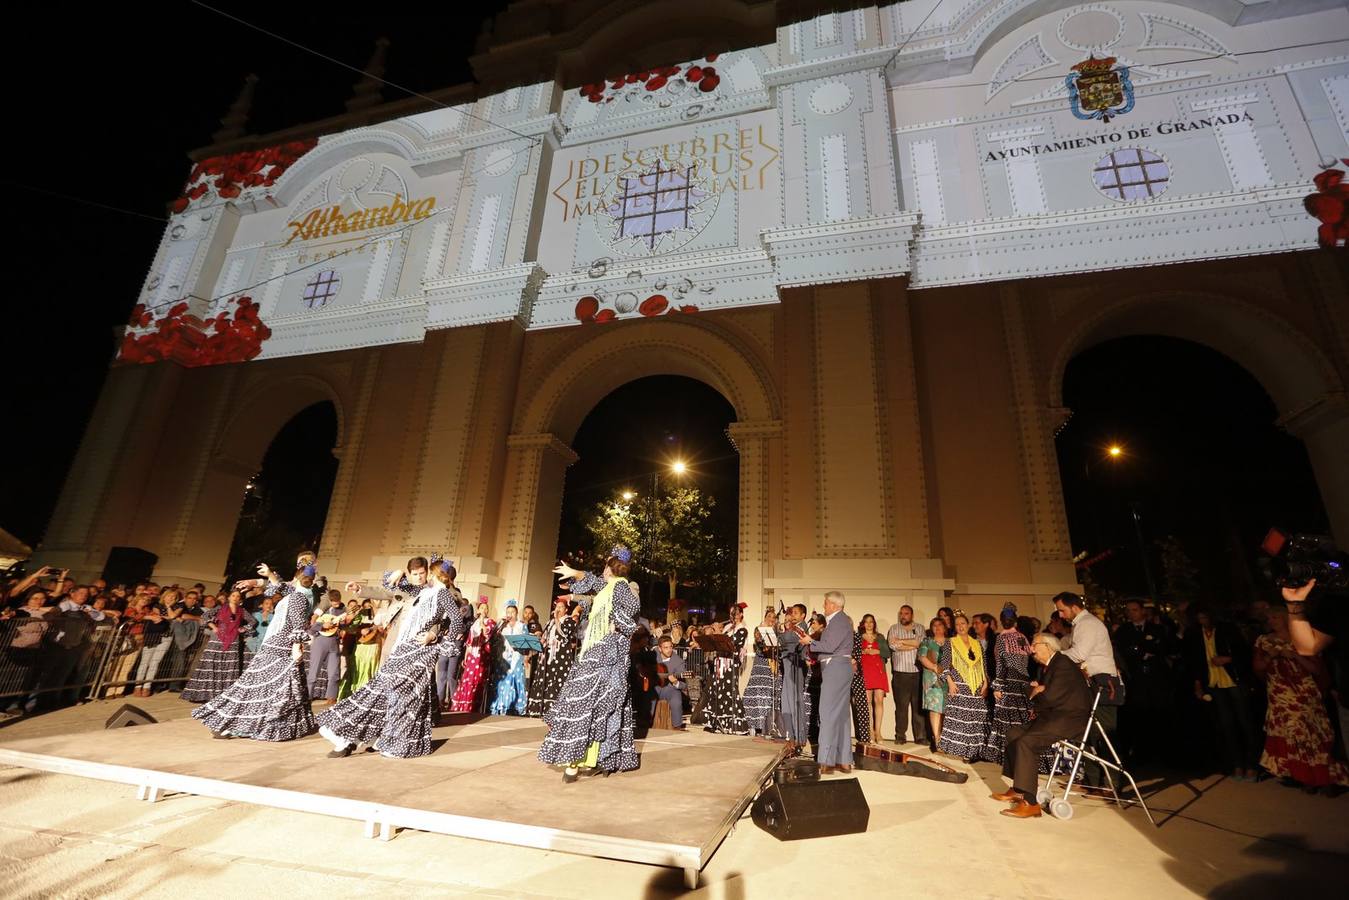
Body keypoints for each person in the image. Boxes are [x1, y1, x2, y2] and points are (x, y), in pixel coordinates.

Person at [319, 558, 465, 759]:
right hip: (401, 648)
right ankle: (359, 735)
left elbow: (458, 620)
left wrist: (437, 637)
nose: (422, 577)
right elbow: (390, 587)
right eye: (418, 573)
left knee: (398, 695)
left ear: (433, 575)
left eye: (426, 573)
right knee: (384, 692)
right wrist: (396, 573)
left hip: (417, 652)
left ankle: (375, 738)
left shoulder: (444, 594)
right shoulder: (422, 591)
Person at [539, 548, 642, 782]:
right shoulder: (609, 587)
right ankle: (588, 760)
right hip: (595, 652)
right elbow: (592, 582)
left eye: (605, 565)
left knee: (590, 703)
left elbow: (633, 610)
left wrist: (618, 626)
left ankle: (581, 762)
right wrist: (574, 572)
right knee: (589, 704)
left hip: (606, 653)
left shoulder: (622, 587)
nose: (602, 570)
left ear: (610, 567)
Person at [192, 562, 318, 741]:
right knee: (263, 687)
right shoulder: (298, 594)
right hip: (277, 646)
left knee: (265, 688)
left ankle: (235, 724)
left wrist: (297, 647)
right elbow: (279, 586)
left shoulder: (299, 597)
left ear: (296, 578)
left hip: (281, 647)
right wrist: (265, 576)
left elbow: (298, 623)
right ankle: (234, 724)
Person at [992, 633, 1094, 818]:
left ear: (1048, 646)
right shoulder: (1047, 667)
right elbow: (1044, 698)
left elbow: (1048, 698)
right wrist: (1036, 690)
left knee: (1027, 742)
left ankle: (1031, 803)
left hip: (1068, 720)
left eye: (1035, 644)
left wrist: (1034, 690)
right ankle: (1018, 788)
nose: (1031, 649)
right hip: (1051, 717)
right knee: (1013, 733)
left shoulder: (1062, 664)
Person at [1254, 606, 1349, 790]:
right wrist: (1270, 658)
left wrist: (1295, 656)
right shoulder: (1263, 641)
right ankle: (1301, 775)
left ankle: (1321, 775)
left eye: (1274, 617)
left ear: (1284, 618)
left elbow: (1316, 669)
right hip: (1279, 693)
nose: (1271, 621)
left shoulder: (1301, 639)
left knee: (1310, 733)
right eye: (1269, 618)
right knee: (1290, 735)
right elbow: (1257, 668)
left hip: (1303, 693)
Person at [1055, 591, 1123, 789]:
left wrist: (1054, 656)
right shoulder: (1080, 625)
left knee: (1105, 735)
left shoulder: (1088, 624)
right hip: (1090, 682)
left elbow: (1079, 654)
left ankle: (1113, 784)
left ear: (1074, 606)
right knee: (1089, 734)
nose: (1060, 615)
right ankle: (1093, 781)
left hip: (1103, 682)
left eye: (1062, 610)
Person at [1187, 607, 1259, 781]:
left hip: (1233, 680)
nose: (1202, 620)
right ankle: (1237, 764)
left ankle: (1252, 764)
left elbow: (1244, 651)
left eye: (1205, 616)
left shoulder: (1227, 630)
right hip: (1214, 683)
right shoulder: (1196, 634)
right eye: (1200, 617)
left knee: (1245, 722)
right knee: (1227, 725)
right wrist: (1198, 684)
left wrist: (1228, 659)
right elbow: (1196, 661)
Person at [798, 592, 854, 774]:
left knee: (828, 713)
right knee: (841, 715)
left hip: (836, 668)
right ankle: (844, 760)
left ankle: (827, 761)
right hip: (840, 668)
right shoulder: (841, 621)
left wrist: (810, 641)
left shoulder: (838, 621)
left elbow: (829, 646)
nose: (824, 606)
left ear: (834, 605)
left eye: (826, 603)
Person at [1112, 598, 1173, 765]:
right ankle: (1141, 752)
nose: (1132, 613)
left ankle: (1161, 752)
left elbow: (1162, 647)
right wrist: (1140, 652)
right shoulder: (1123, 630)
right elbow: (1123, 650)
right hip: (1135, 679)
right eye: (1129, 610)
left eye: (1135, 610)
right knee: (1139, 715)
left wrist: (1146, 649)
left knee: (1159, 714)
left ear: (1142, 611)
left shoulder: (1157, 628)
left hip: (1156, 679)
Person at [181, 589, 255, 703]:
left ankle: (223, 696)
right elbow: (205, 616)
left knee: (227, 666)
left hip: (233, 640)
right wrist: (214, 627)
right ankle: (203, 695)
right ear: (229, 597)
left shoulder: (242, 610)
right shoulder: (220, 608)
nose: (235, 598)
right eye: (233, 595)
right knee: (211, 665)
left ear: (240, 599)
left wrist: (243, 629)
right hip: (217, 639)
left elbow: (253, 621)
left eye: (238, 596)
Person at [985, 603, 1033, 765]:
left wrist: (997, 686)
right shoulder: (1022, 638)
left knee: (1007, 719)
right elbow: (1028, 659)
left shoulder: (1001, 638)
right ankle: (1023, 753)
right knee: (1021, 718)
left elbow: (1000, 663)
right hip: (1023, 681)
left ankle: (1008, 755)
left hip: (1009, 681)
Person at [938, 612, 989, 762]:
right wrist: (950, 682)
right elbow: (944, 664)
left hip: (977, 685)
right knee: (960, 719)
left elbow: (983, 665)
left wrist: (985, 682)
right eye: (957, 624)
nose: (960, 626)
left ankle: (973, 751)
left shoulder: (977, 643)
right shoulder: (951, 642)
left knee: (976, 719)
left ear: (968, 625)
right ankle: (960, 749)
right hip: (959, 685)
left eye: (963, 624)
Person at [527, 597, 580, 718]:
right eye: (557, 607)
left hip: (560, 657)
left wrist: (556, 619)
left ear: (566, 609)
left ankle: (557, 711)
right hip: (547, 656)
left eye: (561, 607)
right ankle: (540, 709)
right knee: (544, 679)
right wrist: (540, 640)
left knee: (557, 681)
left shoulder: (569, 621)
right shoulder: (549, 623)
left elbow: (563, 635)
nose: (558, 609)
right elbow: (545, 637)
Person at [702, 613, 751, 735]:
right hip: (720, 662)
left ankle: (733, 724)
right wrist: (714, 631)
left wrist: (718, 632)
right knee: (716, 690)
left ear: (741, 615)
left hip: (730, 664)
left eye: (735, 613)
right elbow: (716, 643)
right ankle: (715, 722)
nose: (732, 616)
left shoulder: (742, 630)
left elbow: (732, 645)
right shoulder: (727, 627)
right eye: (730, 613)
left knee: (729, 691)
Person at [886, 604, 926, 745]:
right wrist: (912, 645)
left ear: (912, 615)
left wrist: (902, 642)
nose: (903, 616)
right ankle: (900, 736)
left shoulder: (920, 628)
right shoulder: (894, 628)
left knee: (918, 707)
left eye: (906, 613)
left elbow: (920, 643)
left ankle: (920, 736)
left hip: (917, 672)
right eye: (901, 613)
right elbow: (893, 645)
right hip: (900, 674)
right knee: (901, 707)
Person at [742, 607, 781, 738]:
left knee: (770, 696)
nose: (772, 619)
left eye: (773, 618)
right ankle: (754, 724)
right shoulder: (759, 630)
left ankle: (769, 725)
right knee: (756, 694)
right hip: (761, 665)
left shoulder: (777, 631)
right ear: (765, 617)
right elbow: (760, 643)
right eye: (769, 617)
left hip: (773, 666)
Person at [452, 599, 496, 712]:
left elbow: (486, 632)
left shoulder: (490, 622)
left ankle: (474, 704)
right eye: (482, 608)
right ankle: (464, 704)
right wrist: (466, 655)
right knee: (467, 678)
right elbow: (470, 641)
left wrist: (482, 620)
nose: (484, 610)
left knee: (477, 678)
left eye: (486, 608)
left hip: (482, 654)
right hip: (472, 654)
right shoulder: (474, 623)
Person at [778, 603, 811, 749]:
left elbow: (789, 638)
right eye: (792, 613)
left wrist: (783, 630)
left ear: (803, 615)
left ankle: (800, 737)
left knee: (795, 701)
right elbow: (781, 640)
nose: (792, 616)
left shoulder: (802, 627)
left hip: (796, 665)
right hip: (786, 663)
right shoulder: (792, 627)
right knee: (785, 701)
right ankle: (790, 735)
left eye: (796, 613)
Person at [307, 590, 348, 706]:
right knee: (314, 671)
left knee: (334, 672)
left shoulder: (343, 609)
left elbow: (344, 625)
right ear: (329, 601)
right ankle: (308, 697)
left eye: (338, 601)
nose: (337, 604)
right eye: (334, 602)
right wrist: (321, 625)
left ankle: (332, 697)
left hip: (334, 642)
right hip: (320, 641)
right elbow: (311, 627)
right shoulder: (322, 608)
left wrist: (344, 624)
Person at [490, 599, 529, 716]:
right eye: (508, 612)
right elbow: (495, 641)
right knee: (503, 681)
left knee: (516, 680)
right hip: (504, 657)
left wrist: (526, 657)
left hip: (517, 657)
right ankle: (501, 705)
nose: (510, 614)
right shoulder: (502, 626)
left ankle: (516, 707)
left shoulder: (522, 626)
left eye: (512, 612)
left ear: (516, 613)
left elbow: (526, 642)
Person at [856, 613, 889, 744]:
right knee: (867, 701)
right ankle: (869, 731)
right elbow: (854, 652)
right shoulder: (858, 637)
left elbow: (887, 653)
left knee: (879, 700)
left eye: (871, 621)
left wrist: (878, 651)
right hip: (865, 670)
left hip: (878, 670)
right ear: (863, 624)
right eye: (866, 622)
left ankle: (878, 732)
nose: (869, 624)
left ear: (874, 624)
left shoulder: (879, 637)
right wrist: (863, 652)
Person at [919, 617, 948, 750]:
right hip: (932, 679)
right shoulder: (927, 641)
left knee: (946, 708)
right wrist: (935, 668)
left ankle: (946, 738)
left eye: (940, 625)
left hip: (949, 679)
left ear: (945, 627)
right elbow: (922, 657)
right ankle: (937, 740)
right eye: (934, 625)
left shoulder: (950, 643)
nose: (937, 627)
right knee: (935, 708)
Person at [651, 634, 687, 729]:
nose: (669, 650)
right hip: (655, 687)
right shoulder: (653, 656)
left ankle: (677, 726)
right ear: (660, 648)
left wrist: (675, 682)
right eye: (666, 647)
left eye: (671, 647)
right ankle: (645, 724)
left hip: (670, 689)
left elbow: (684, 685)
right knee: (649, 698)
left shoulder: (679, 662)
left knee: (676, 702)